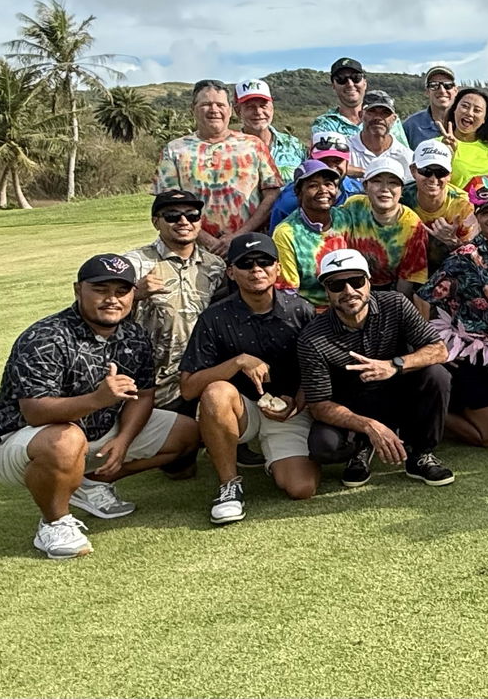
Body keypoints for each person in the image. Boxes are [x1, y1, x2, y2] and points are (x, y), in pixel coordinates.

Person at [0, 254, 203, 558]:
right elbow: (35, 411)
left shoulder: (134, 335)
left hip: (99, 433)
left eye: (121, 291)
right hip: (20, 441)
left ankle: (87, 482)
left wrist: (123, 442)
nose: (112, 299)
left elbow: (145, 395)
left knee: (189, 432)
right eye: (100, 289)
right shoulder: (45, 336)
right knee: (66, 440)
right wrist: (99, 400)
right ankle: (54, 523)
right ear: (77, 290)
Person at [180, 233, 320, 522]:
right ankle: (229, 484)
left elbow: (318, 368)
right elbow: (188, 388)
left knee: (301, 488)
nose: (256, 270)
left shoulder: (301, 310)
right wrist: (238, 362)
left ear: (277, 268)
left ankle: (272, 456)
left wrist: (299, 401)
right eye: (245, 264)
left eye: (264, 262)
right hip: (242, 408)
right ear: (231, 271)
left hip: (290, 408)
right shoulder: (215, 317)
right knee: (216, 391)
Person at [297, 249, 454, 487]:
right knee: (324, 447)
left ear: (369, 281)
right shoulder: (312, 338)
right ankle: (362, 446)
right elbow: (319, 406)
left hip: (399, 395)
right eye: (337, 285)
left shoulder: (396, 303)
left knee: (437, 375)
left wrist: (395, 365)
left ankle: (420, 454)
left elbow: (439, 350)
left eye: (356, 281)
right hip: (352, 405)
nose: (349, 291)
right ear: (326, 291)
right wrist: (369, 426)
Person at [419, 177, 488, 448]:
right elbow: (422, 297)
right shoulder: (464, 257)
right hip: (469, 356)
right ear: (477, 217)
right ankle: (426, 411)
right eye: (486, 212)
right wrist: (428, 345)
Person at [121, 190, 228, 410]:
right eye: (172, 216)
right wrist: (135, 293)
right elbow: (99, 309)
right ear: (156, 222)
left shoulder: (216, 266)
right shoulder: (134, 264)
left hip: (199, 374)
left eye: (192, 215)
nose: (183, 221)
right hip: (149, 381)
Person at [154, 80, 284, 255]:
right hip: (196, 251)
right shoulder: (174, 150)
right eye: (206, 104)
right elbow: (168, 204)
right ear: (193, 109)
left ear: (230, 110)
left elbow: (272, 194)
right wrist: (209, 242)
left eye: (220, 105)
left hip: (250, 247)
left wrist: (238, 236)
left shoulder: (253, 145)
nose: (214, 110)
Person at [334, 158, 429, 295]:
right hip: (349, 283)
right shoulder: (353, 205)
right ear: (365, 187)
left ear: (401, 190)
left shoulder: (412, 226)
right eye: (377, 181)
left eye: (393, 183)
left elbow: (407, 280)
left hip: (389, 290)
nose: (384, 189)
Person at [273, 161, 348, 309]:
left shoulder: (346, 218)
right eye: (313, 185)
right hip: (313, 314)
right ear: (298, 193)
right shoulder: (286, 232)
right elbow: (289, 292)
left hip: (352, 303)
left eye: (328, 184)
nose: (323, 190)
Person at [407, 140, 478, 273]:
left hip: (449, 272)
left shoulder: (464, 205)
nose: (433, 179)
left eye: (441, 172)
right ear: (413, 171)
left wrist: (452, 241)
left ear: (450, 175)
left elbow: (474, 257)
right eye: (426, 171)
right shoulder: (400, 198)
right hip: (407, 267)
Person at [268, 132, 360, 230]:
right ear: (309, 160)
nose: (331, 167)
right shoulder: (288, 202)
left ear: (347, 163)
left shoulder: (358, 191)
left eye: (337, 161)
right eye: (323, 161)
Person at [311, 56, 410, 146]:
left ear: (365, 83)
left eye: (356, 78)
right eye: (341, 79)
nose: (350, 84)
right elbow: (327, 162)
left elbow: (403, 154)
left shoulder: (389, 117)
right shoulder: (324, 124)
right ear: (333, 85)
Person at [235, 79, 306, 191]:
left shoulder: (295, 145)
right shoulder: (229, 149)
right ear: (238, 111)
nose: (258, 112)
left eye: (263, 106)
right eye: (250, 107)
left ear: (272, 109)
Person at [444, 87, 488, 189]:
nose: (469, 113)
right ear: (454, 109)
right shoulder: (437, 145)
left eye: (477, 110)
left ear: (484, 119)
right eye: (464, 106)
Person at [347, 90, 413, 176]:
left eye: (385, 113)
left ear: (394, 119)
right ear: (361, 115)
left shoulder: (406, 157)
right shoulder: (345, 147)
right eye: (372, 111)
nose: (378, 117)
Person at [404, 65, 458, 149]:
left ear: (455, 90)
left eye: (448, 85)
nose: (442, 90)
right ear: (427, 92)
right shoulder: (411, 126)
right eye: (434, 85)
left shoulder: (467, 123)